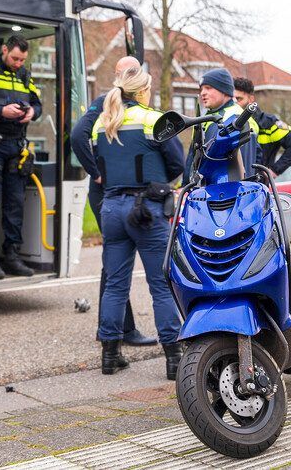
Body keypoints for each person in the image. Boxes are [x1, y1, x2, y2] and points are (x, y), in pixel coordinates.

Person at [89, 67, 185, 379]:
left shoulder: (102, 122)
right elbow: (177, 163)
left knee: (115, 284)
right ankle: (173, 357)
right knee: (161, 283)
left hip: (111, 208)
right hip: (146, 209)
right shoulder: (153, 119)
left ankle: (110, 354)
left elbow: (97, 159)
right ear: (143, 91)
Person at [71, 57, 156, 347]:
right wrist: (96, 173)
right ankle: (119, 329)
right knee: (116, 262)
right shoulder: (104, 102)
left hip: (120, 190)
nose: (135, 77)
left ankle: (114, 329)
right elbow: (77, 135)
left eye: (137, 72)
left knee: (116, 260)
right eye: (130, 72)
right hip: (110, 189)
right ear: (119, 76)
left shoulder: (135, 110)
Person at [0, 35, 42, 279]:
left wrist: (32, 113)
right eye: (15, 58)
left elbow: (38, 105)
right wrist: (0, 111)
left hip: (17, 149)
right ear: (4, 50)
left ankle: (12, 256)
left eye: (22, 59)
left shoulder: (26, 76)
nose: (18, 63)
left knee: (15, 203)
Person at [183, 68, 260, 182]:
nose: (203, 93)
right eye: (202, 89)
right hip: (204, 193)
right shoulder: (206, 119)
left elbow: (245, 165)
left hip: (227, 193)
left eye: (208, 88)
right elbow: (193, 157)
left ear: (224, 90)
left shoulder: (237, 117)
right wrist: (185, 187)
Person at [233, 77, 291, 177]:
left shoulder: (268, 123)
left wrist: (275, 170)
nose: (235, 104)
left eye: (239, 99)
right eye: (232, 100)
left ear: (251, 99)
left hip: (259, 187)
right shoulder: (227, 121)